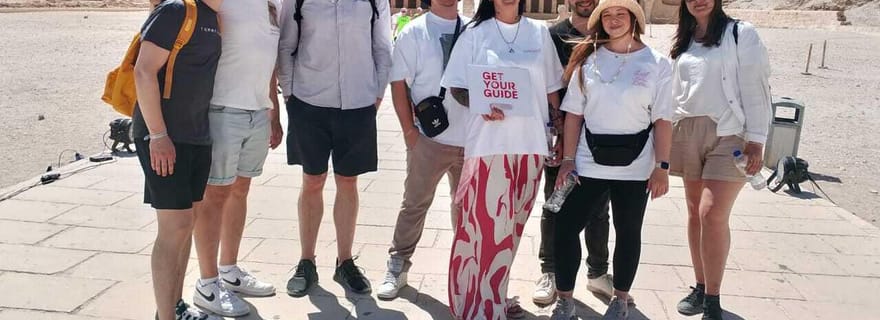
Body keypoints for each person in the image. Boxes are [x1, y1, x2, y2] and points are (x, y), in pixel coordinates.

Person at [549, 0, 673, 318]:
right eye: (607, 15)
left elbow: (662, 120)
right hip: (589, 161)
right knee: (564, 227)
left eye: (621, 14)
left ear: (635, 19)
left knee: (628, 231)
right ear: (599, 21)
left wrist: (662, 167)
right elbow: (574, 114)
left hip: (636, 165)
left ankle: (620, 298)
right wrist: (567, 160)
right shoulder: (587, 59)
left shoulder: (656, 62)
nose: (614, 20)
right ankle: (565, 298)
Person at [441, 0, 564, 317]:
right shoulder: (474, 34)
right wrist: (481, 104)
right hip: (489, 144)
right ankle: (475, 303)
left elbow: (552, 89)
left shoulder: (539, 33)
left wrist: (560, 133)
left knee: (511, 230)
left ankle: (495, 294)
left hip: (531, 146)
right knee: (483, 229)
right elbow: (457, 85)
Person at [277, 0, 392, 297]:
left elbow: (382, 47)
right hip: (309, 100)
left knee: (348, 181)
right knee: (312, 181)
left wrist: (376, 93)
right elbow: (287, 45)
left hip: (358, 101)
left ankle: (345, 261)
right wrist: (289, 94)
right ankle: (306, 260)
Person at [669, 0, 771, 318]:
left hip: (729, 133)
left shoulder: (741, 33)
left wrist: (757, 140)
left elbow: (757, 88)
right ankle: (700, 286)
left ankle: (713, 297)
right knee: (693, 212)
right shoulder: (684, 37)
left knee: (711, 213)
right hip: (687, 130)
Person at [189, 0, 283, 317]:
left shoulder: (275, 3)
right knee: (214, 194)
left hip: (258, 110)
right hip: (222, 108)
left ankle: (229, 269)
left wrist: (274, 111)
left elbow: (267, 61)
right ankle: (207, 283)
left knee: (240, 190)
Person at [131, 0, 223, 319]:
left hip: (198, 135)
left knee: (187, 225)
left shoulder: (214, 16)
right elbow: (143, 71)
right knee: (176, 226)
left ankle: (172, 308)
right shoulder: (176, 10)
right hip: (164, 136)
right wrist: (157, 135)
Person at [377, 0, 469, 300]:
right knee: (415, 203)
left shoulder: (473, 29)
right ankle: (398, 263)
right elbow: (398, 84)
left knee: (467, 210)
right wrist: (409, 132)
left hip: (472, 139)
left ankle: (467, 271)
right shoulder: (414, 31)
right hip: (430, 138)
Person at [534, 0, 617, 306]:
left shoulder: (609, 33)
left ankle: (597, 273)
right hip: (563, 135)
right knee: (555, 203)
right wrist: (555, 130)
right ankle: (550, 271)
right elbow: (547, 84)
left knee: (599, 207)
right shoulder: (554, 35)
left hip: (601, 136)